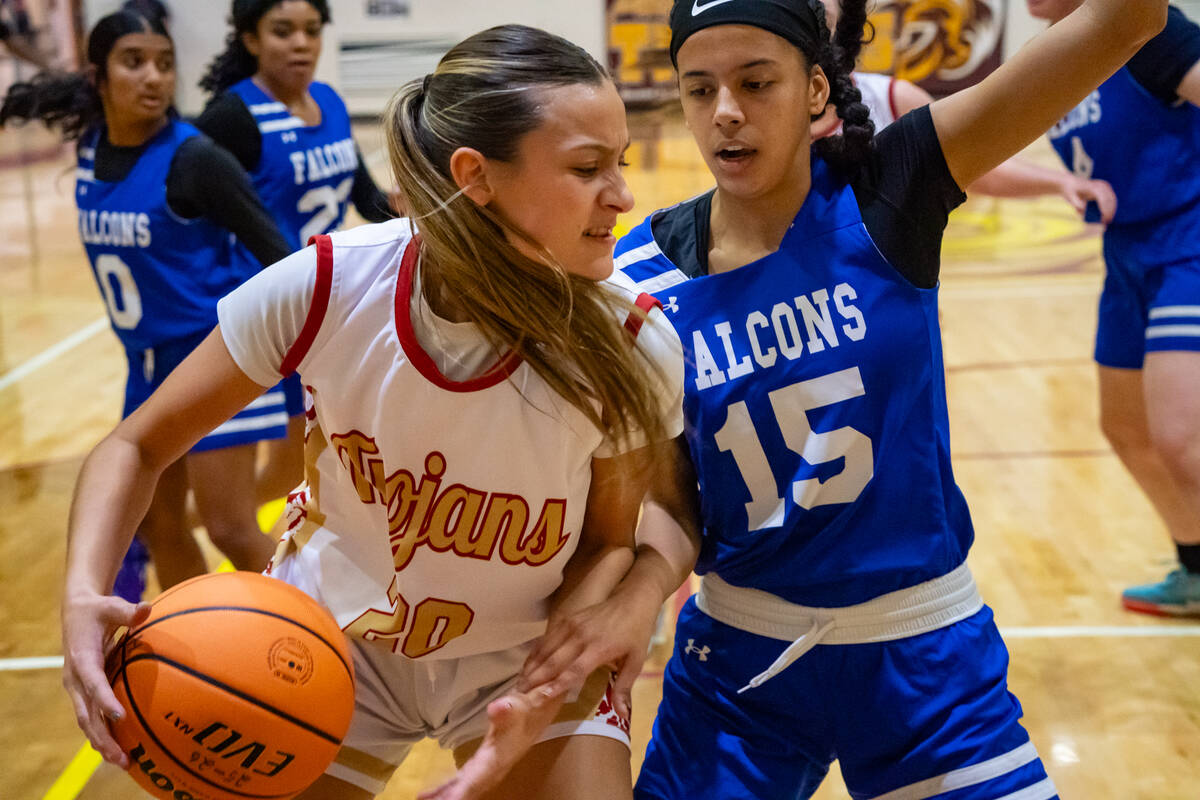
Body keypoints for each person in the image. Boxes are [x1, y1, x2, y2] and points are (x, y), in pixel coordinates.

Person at [59, 23, 690, 800]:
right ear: (475, 175)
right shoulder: (329, 284)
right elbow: (136, 446)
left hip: (524, 648)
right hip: (326, 639)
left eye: (618, 164)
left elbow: (606, 543)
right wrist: (82, 593)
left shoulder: (629, 337)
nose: (622, 195)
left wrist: (545, 685)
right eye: (588, 168)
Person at [613, 0, 1167, 798]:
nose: (725, 111)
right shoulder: (638, 275)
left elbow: (1127, 21)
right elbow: (674, 501)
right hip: (737, 664)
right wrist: (637, 597)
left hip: (924, 655)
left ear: (816, 89)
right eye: (700, 89)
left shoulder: (892, 187)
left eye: (755, 82)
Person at [0, 8, 292, 599]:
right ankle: (205, 643)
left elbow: (283, 259)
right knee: (159, 525)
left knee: (231, 527)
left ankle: (322, 636)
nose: (154, 77)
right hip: (146, 365)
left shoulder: (196, 159)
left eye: (164, 64)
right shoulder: (91, 148)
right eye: (134, 62)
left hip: (215, 355)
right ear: (98, 77)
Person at [1027, 0, 1200, 617]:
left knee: (1180, 436)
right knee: (1127, 428)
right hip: (1125, 252)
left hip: (1187, 240)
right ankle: (1195, 568)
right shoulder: (1048, 58)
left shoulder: (1146, 27)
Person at [196, 0, 397, 504]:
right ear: (251, 39)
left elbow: (365, 199)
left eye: (311, 30)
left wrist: (421, 209)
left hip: (321, 304)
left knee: (297, 462)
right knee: (275, 469)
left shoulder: (329, 100)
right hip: (263, 308)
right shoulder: (231, 118)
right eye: (283, 31)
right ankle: (185, 524)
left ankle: (187, 523)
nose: (301, 44)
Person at [819, 0, 1117, 220]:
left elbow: (976, 163)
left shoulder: (893, 98)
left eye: (821, 18)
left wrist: (1062, 182)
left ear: (844, 22)